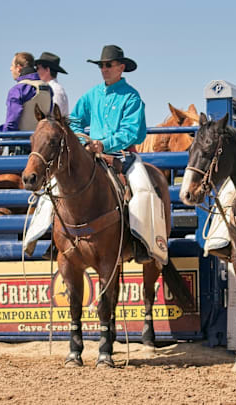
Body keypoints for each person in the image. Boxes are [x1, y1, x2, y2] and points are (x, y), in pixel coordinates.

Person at [69, 45, 165, 265]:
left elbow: (132, 132)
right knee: (57, 187)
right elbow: (74, 120)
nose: (104, 69)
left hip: (123, 156)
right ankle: (53, 239)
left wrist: (104, 144)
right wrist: (83, 140)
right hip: (91, 155)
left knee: (143, 191)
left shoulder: (132, 97)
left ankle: (145, 244)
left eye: (109, 65)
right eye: (102, 65)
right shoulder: (91, 95)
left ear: (121, 67)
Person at [0, 52, 52, 133]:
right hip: (43, 141)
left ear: (18, 68)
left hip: (22, 141)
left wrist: (4, 136)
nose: (10, 69)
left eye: (12, 65)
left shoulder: (18, 89)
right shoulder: (48, 89)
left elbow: (12, 121)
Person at [35, 51, 69, 116]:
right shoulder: (54, 88)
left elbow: (53, 117)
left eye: (38, 68)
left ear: (47, 70)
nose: (36, 71)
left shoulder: (55, 90)